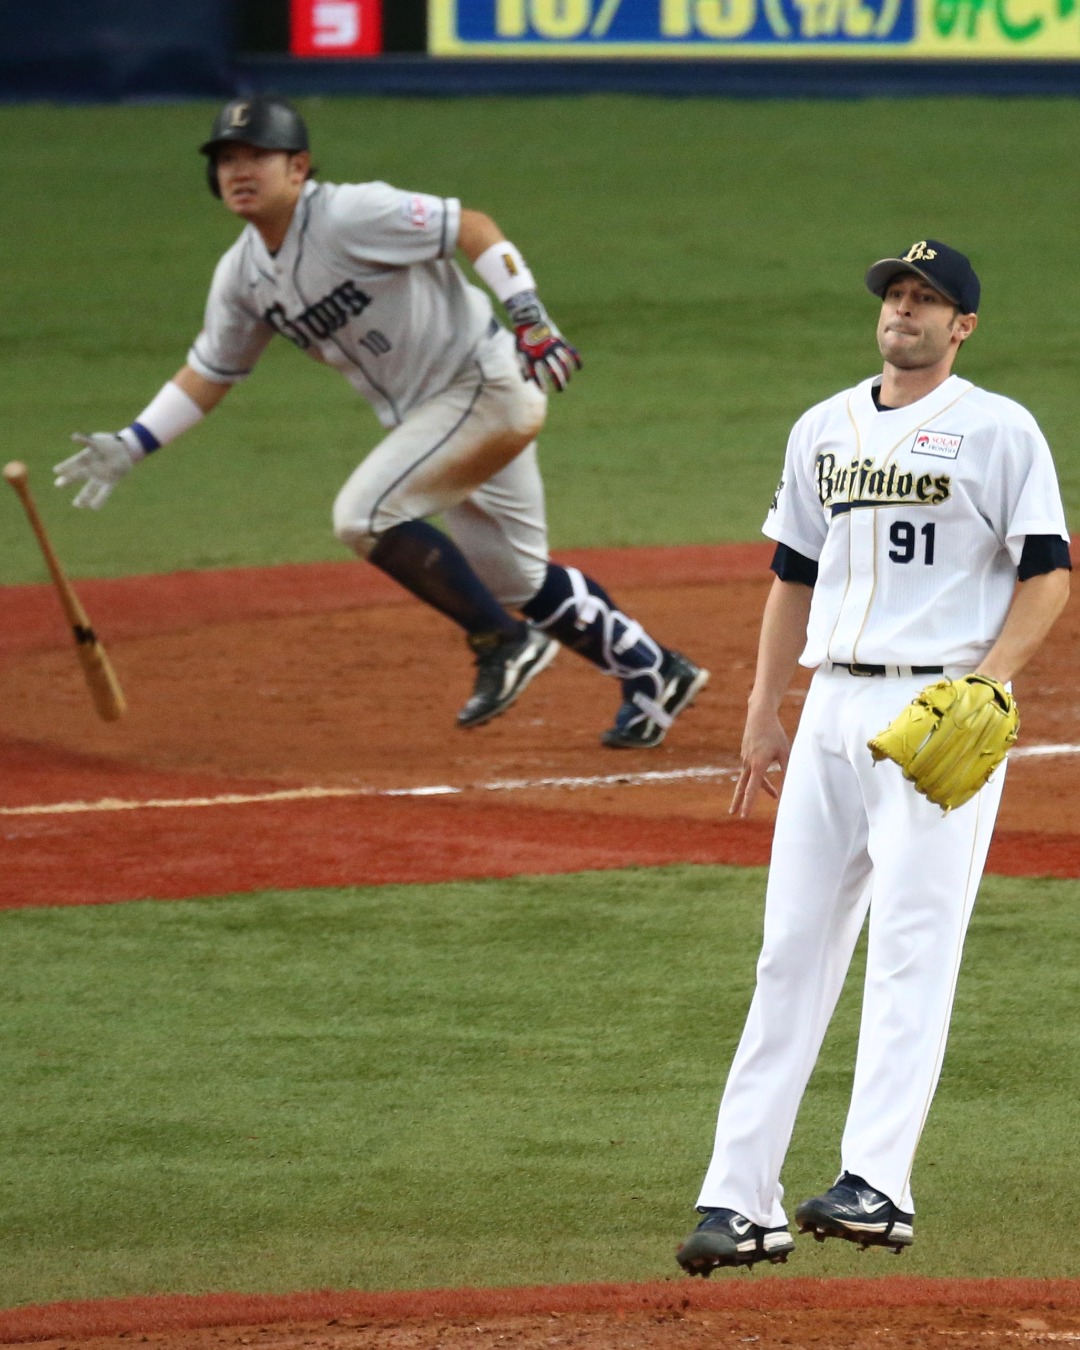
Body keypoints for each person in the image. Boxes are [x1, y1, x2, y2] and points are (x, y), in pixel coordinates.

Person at [53, 96, 708, 749]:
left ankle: (503, 642)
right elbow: (213, 371)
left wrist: (530, 316)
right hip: (446, 418)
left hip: (483, 389)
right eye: (226, 158)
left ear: (299, 167)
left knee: (363, 516)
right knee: (515, 577)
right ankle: (655, 670)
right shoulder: (243, 276)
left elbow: (470, 227)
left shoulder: (349, 213)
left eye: (257, 155)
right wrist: (134, 442)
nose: (239, 170)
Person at [677, 240, 1071, 1275]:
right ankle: (739, 1199)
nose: (905, 309)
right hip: (831, 711)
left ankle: (878, 1184)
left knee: (911, 945)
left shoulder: (999, 429)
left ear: (962, 326)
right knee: (788, 953)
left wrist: (990, 679)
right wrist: (766, 709)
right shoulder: (824, 426)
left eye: (927, 299)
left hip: (938, 708)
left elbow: (1047, 574)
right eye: (896, 294)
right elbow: (791, 575)